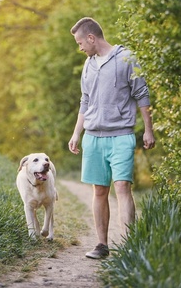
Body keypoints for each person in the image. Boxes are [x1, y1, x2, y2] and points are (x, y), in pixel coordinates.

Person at [68, 17, 156, 259]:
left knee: (122, 187)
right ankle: (102, 245)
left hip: (121, 135)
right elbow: (85, 101)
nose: (80, 48)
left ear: (91, 37)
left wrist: (148, 129)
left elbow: (142, 94)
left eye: (80, 42)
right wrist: (77, 133)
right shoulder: (88, 65)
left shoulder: (126, 58)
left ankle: (129, 246)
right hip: (93, 137)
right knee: (99, 191)